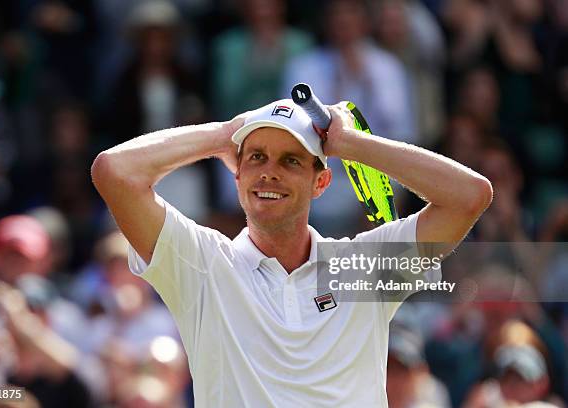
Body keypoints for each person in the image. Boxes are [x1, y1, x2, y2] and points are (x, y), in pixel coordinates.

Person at [91, 98, 493, 406]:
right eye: (256, 157)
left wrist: (350, 144)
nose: (269, 172)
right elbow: (115, 171)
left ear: (321, 183)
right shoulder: (202, 265)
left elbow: (470, 196)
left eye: (290, 161)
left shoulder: (363, 269)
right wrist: (224, 134)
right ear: (238, 174)